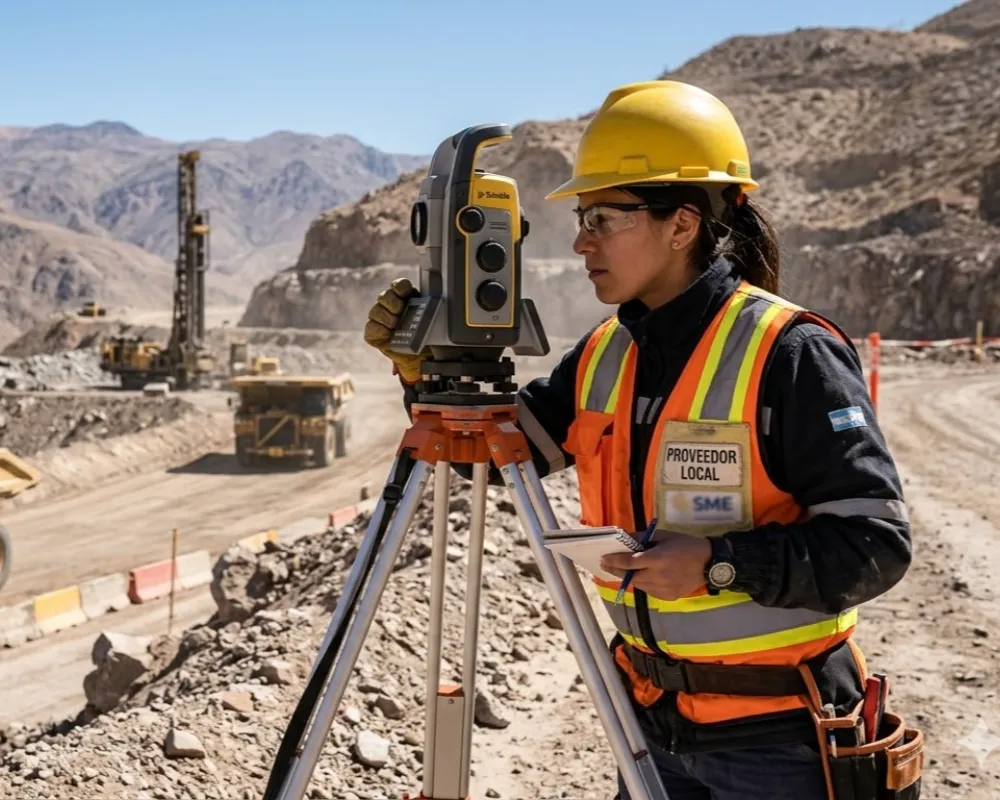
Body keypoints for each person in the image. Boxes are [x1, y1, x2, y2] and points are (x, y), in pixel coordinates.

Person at [364, 80, 916, 800]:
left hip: (778, 741)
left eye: (602, 216)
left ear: (681, 224)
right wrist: (428, 379)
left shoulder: (789, 352)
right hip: (654, 732)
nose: (580, 238)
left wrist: (717, 565)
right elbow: (504, 458)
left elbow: (876, 546)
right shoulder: (605, 352)